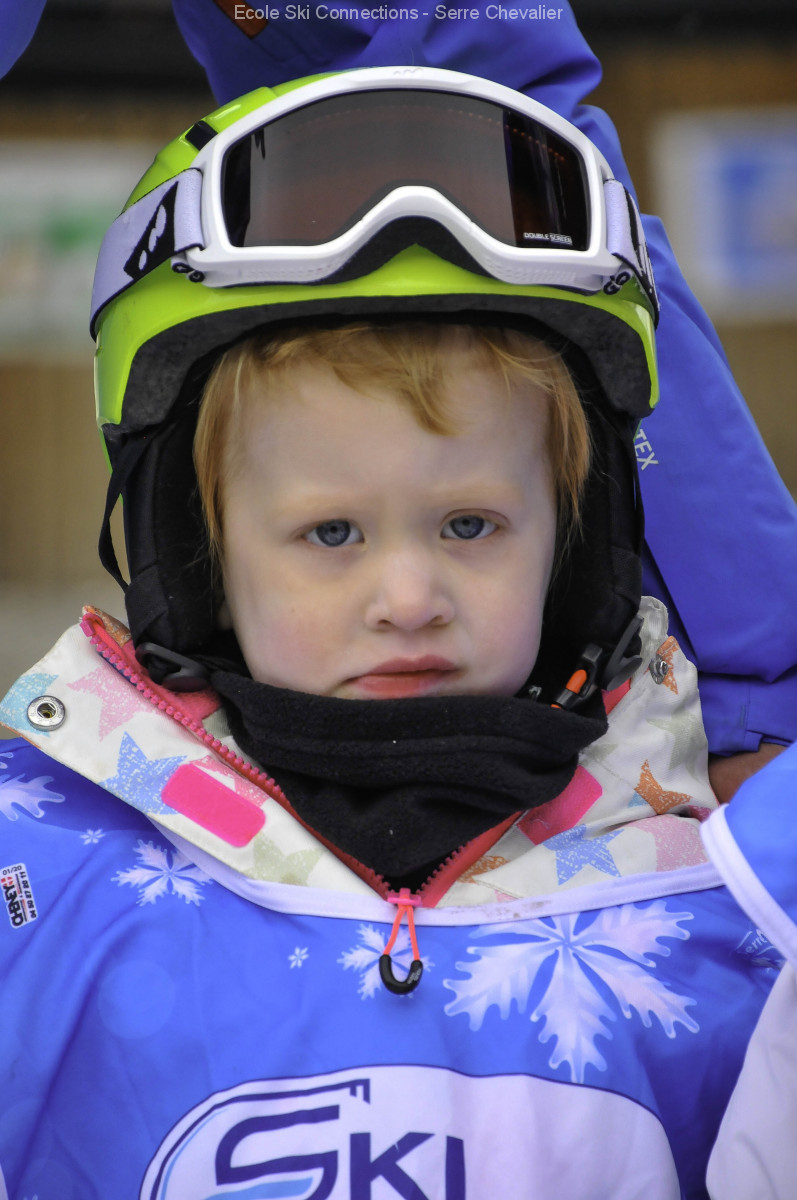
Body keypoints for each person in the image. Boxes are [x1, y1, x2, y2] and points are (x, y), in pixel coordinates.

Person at [0, 65, 793, 1199]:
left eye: (470, 524)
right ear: (199, 553)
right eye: (330, 533)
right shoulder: (33, 879)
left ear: (575, 542)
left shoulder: (733, 893)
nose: (409, 596)